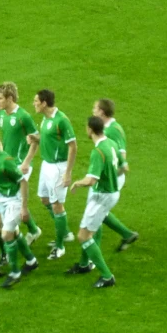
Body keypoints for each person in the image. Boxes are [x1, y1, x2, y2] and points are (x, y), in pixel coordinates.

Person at [68, 116, 125, 288]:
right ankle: (84, 265)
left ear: (91, 129)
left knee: (83, 236)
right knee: (95, 226)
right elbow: (123, 165)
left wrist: (77, 182)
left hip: (102, 196)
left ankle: (107, 276)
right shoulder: (112, 144)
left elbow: (91, 180)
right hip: (112, 192)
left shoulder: (98, 151)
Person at [0, 128, 38, 289]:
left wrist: (24, 208)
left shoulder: (6, 161)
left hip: (15, 200)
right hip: (2, 200)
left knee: (6, 234)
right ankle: (31, 261)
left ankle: (14, 272)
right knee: (15, 233)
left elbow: (23, 181)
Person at [29, 89, 77, 260]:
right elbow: (49, 139)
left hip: (58, 167)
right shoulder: (45, 119)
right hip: (46, 164)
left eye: (36, 101)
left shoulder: (61, 120)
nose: (33, 104)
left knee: (57, 205)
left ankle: (60, 246)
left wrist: (68, 173)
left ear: (44, 103)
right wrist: (36, 139)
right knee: (44, 199)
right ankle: (64, 232)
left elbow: (73, 146)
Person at [0, 82, 42, 246]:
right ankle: (33, 230)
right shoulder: (1, 114)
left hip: (21, 164)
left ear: (10, 98)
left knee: (14, 200)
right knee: (11, 199)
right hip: (7, 163)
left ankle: (11, 232)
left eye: (0, 98)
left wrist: (26, 162)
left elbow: (36, 140)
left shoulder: (23, 116)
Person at [93, 99, 139, 251]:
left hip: (114, 177)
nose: (93, 110)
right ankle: (127, 234)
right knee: (98, 210)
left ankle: (93, 255)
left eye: (95, 108)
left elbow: (122, 156)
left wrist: (112, 174)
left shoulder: (114, 129)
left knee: (97, 211)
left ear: (102, 111)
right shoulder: (105, 127)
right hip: (107, 176)